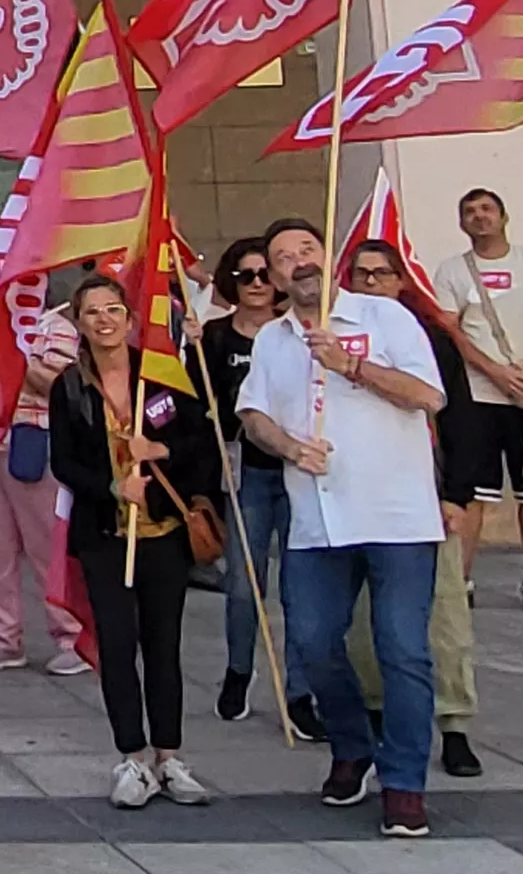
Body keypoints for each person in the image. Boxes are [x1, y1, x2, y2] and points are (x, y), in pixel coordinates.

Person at [238, 221, 447, 840]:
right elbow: (252, 415)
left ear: (328, 259)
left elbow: (428, 396)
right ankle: (353, 746)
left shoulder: (384, 317)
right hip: (317, 519)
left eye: (307, 250)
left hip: (397, 514)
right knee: (313, 643)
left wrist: (351, 365)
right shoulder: (273, 339)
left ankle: (405, 783)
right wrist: (290, 447)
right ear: (272, 277)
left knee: (402, 649)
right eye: (281, 258)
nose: (297, 263)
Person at [50, 269, 225, 810]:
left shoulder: (163, 376)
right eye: (92, 312)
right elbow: (64, 463)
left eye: (113, 310)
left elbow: (202, 439)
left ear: (129, 317)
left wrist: (163, 453)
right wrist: (111, 486)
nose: (104, 320)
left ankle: (169, 757)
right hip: (107, 536)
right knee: (118, 648)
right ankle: (131, 757)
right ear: (78, 323)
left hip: (165, 535)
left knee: (164, 647)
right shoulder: (70, 385)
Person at [341, 238, 487, 779]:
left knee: (444, 615)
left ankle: (453, 725)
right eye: (361, 274)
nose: (371, 283)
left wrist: (457, 495)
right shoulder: (333, 341)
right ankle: (378, 714)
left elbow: (460, 422)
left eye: (382, 274)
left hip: (425, 500)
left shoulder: (431, 341)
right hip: (360, 501)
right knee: (363, 621)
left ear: (402, 282)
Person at [427, 187, 523, 614]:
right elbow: (451, 332)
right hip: (476, 396)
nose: (479, 217)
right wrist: (493, 371)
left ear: (503, 216)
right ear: (462, 222)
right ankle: (462, 578)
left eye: (487, 209)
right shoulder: (453, 271)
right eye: (470, 211)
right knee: (474, 492)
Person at [197, 239, 310, 735]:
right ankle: (239, 671)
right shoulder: (215, 337)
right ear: (232, 283)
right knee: (243, 584)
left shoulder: (298, 332)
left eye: (265, 273)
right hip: (246, 471)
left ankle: (302, 690)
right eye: (247, 276)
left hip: (300, 471)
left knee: (302, 586)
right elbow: (195, 402)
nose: (259, 283)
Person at [0, 266, 91, 678]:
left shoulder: (56, 327)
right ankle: (4, 638)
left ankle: (71, 635)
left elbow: (60, 386)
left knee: (47, 546)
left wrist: (15, 356)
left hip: (33, 440)